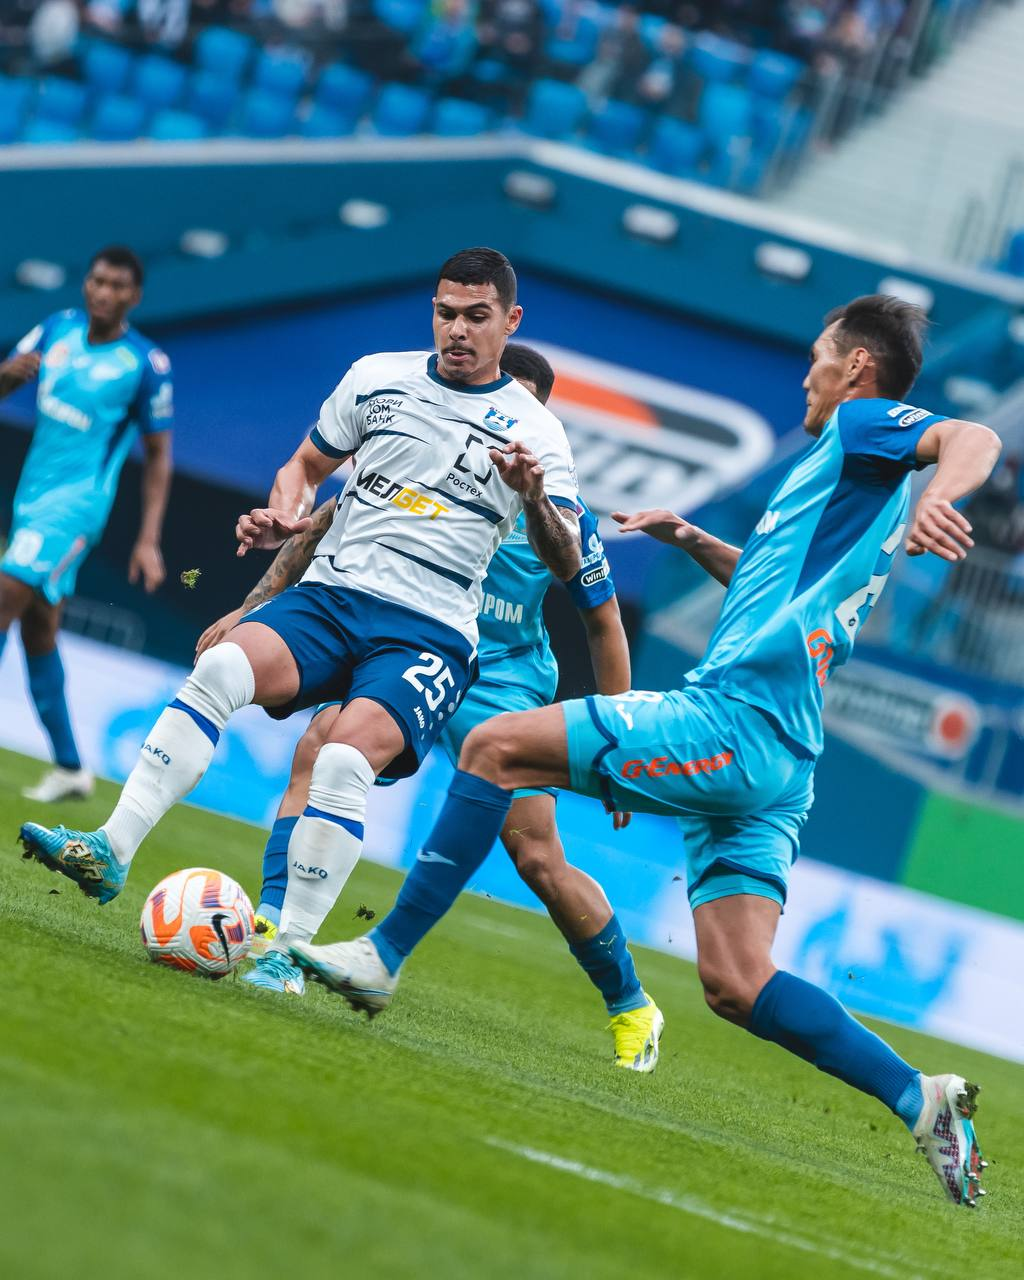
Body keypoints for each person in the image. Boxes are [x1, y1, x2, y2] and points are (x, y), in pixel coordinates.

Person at [290, 294, 1001, 1207]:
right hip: (783, 761)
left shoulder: (865, 428)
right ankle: (920, 1098)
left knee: (496, 747)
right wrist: (696, 540)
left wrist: (943, 493)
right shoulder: (848, 483)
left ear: (856, 366)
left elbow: (974, 435)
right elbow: (770, 586)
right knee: (737, 982)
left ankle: (384, 956)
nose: (806, 375)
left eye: (818, 357)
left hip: (734, 724)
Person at [20, 247, 583, 962]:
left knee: (342, 762)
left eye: (478, 316)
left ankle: (286, 952)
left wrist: (534, 496)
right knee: (220, 668)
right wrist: (285, 514)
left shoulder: (537, 432)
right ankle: (111, 848)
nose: (458, 330)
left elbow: (567, 560)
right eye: (447, 313)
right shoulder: (376, 377)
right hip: (332, 596)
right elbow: (305, 467)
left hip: (429, 631)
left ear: (511, 320)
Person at [198, 343, 662, 1071]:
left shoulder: (557, 513)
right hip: (410, 646)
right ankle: (275, 931)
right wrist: (252, 606)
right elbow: (321, 524)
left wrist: (620, 740)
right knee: (321, 746)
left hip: (501, 683)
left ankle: (631, 1004)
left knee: (536, 855)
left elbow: (604, 623)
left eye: (519, 404)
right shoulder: (424, 458)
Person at [0, 246, 173, 803]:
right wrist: (6, 375)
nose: (104, 292)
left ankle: (70, 767)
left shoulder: (145, 365)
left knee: (4, 595)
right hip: (31, 497)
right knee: (38, 629)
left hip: (77, 508)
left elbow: (158, 455)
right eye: (98, 281)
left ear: (134, 296)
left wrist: (148, 538)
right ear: (86, 283)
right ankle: (72, 767)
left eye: (117, 286)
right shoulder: (56, 329)